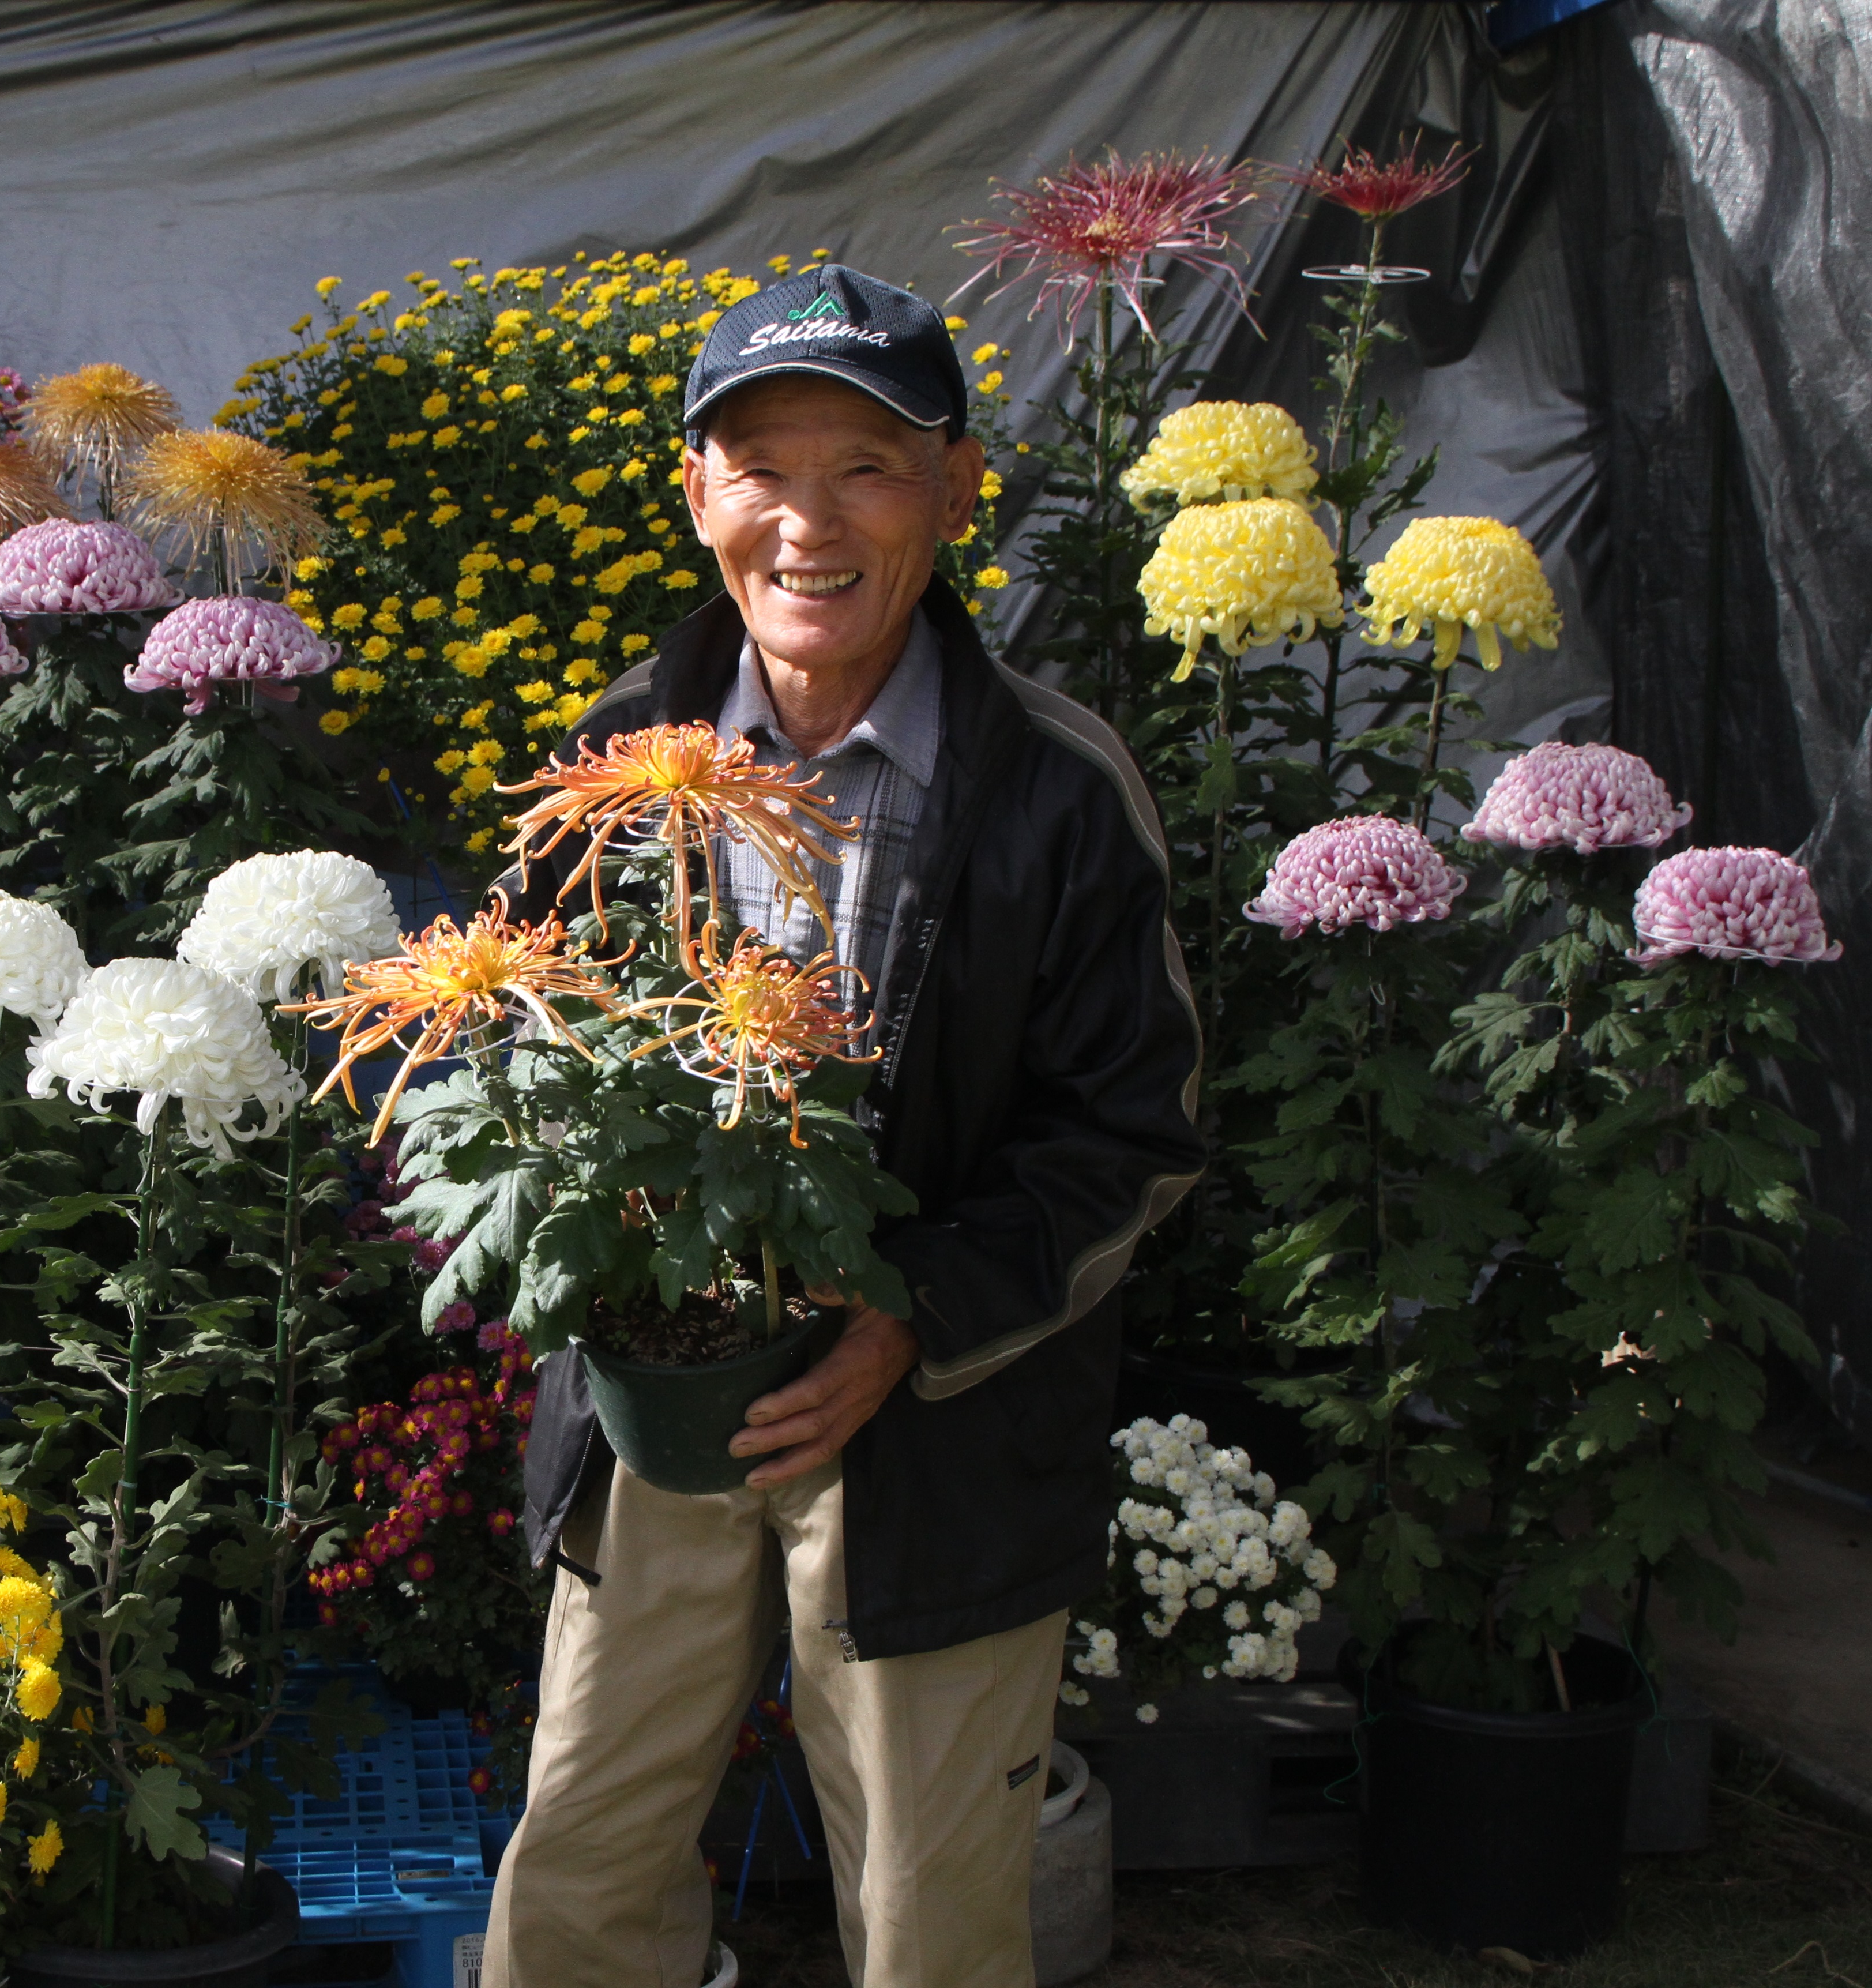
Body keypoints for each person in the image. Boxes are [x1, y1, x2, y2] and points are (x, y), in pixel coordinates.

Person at [483, 264, 1206, 1988]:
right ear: (694, 497)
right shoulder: (612, 762)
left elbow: (1134, 1134)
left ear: (961, 490)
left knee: (926, 1909)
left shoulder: (1051, 785)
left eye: (866, 467)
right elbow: (522, 1057)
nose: (805, 522)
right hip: (660, 1406)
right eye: (758, 467)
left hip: (934, 1428)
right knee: (582, 1853)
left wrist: (913, 1319)